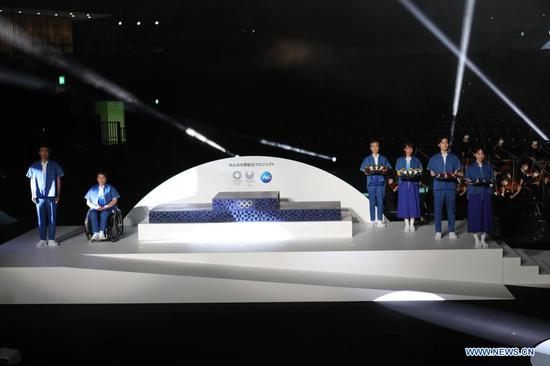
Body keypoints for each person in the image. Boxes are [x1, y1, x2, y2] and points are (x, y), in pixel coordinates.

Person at [26, 145, 64, 247]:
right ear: (39, 153)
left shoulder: (54, 165)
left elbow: (58, 179)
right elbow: (32, 181)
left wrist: (58, 194)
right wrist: (33, 194)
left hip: (51, 195)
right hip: (39, 196)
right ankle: (42, 239)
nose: (44, 153)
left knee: (52, 218)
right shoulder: (34, 166)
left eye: (46, 151)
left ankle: (51, 239)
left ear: (48, 153)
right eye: (42, 151)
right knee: (40, 219)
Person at [427, 137, 462, 240]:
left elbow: (456, 173)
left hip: (450, 187)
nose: (445, 144)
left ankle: (451, 231)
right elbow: (431, 173)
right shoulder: (433, 158)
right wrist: (436, 174)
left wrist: (456, 175)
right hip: (438, 187)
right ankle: (438, 231)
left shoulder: (454, 158)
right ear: (439, 145)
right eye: (443, 143)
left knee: (451, 210)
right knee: (438, 210)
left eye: (446, 143)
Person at [464, 147, 495, 248]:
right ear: (475, 155)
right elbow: (467, 180)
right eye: (478, 154)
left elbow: (492, 178)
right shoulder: (470, 167)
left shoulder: (488, 167)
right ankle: (476, 239)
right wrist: (474, 182)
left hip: (486, 193)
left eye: (482, 154)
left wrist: (491, 183)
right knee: (475, 216)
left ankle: (483, 240)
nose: (480, 156)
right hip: (474, 194)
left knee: (486, 216)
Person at [360, 140, 392, 227]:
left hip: (381, 182)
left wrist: (385, 170)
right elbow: (363, 169)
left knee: (380, 201)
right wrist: (367, 171)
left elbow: (388, 168)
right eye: (373, 146)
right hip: (371, 182)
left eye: (376, 146)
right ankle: (373, 220)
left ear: (378, 147)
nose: (375, 148)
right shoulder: (367, 159)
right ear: (370, 148)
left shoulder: (383, 158)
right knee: (372, 202)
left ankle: (380, 220)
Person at [395, 142, 423, 232]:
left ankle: (412, 224)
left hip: (413, 184)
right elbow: (398, 172)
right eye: (407, 148)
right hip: (403, 184)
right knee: (404, 204)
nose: (409, 150)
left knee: (413, 203)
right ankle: (406, 224)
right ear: (404, 149)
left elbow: (420, 172)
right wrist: (403, 174)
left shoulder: (416, 160)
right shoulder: (400, 160)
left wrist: (416, 173)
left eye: (411, 148)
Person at [84, 171, 120, 241]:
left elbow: (115, 200)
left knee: (104, 214)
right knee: (92, 213)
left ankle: (102, 232)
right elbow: (88, 201)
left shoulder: (110, 187)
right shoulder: (93, 188)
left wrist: (105, 207)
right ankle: (96, 233)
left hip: (108, 207)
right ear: (97, 179)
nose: (101, 179)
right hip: (96, 207)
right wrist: (96, 207)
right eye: (99, 178)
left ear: (105, 179)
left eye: (103, 177)